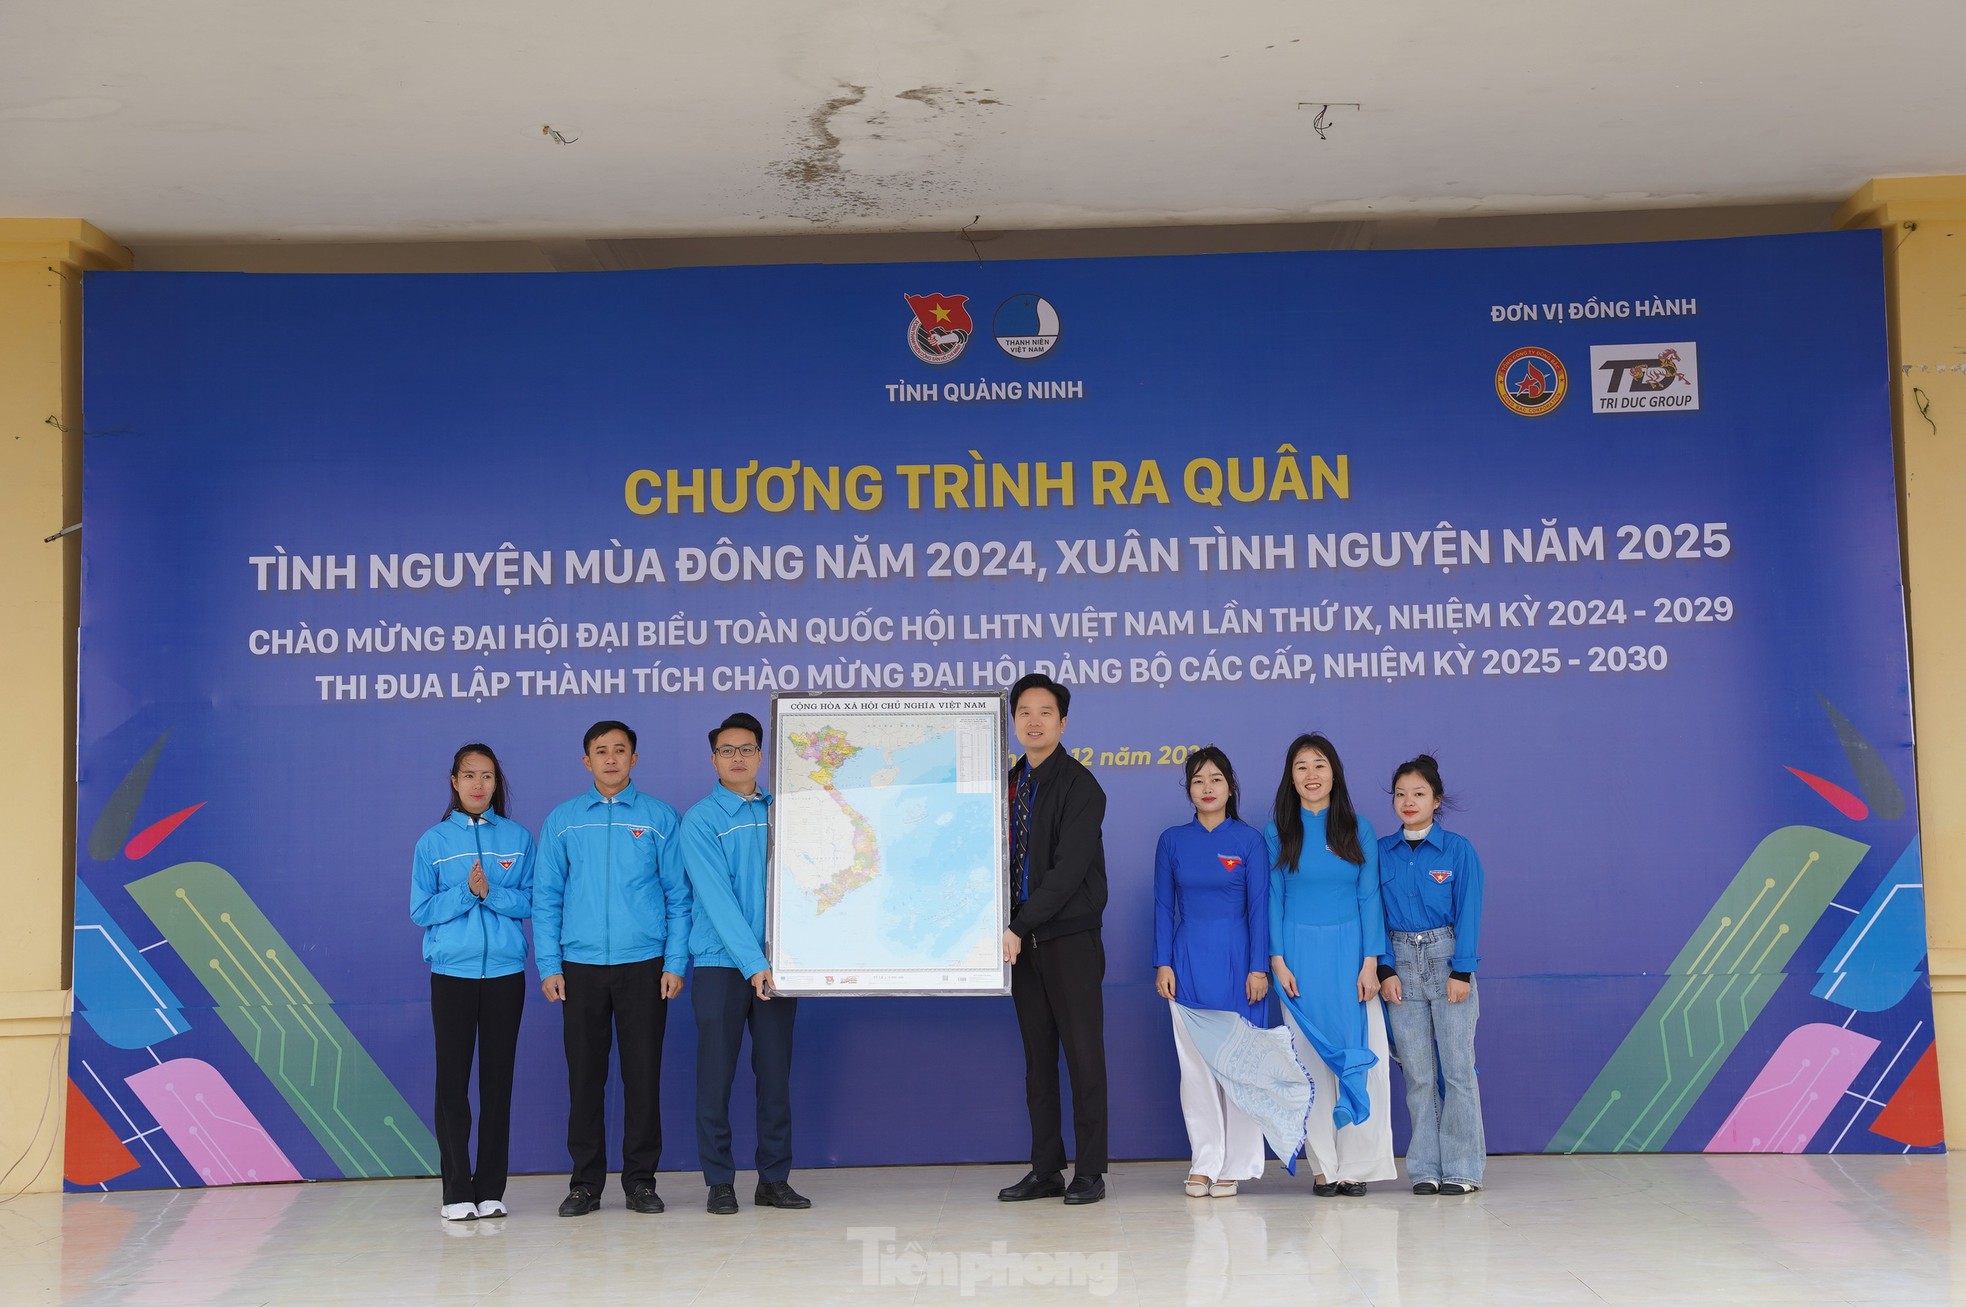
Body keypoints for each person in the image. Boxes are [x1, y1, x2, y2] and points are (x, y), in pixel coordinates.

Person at [533, 720, 691, 1217]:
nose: (610, 759)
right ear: (586, 761)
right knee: (585, 1079)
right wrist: (548, 964)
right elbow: (546, 898)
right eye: (600, 751)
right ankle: (585, 1185)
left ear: (634, 759)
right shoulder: (563, 820)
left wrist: (674, 961)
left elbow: (679, 897)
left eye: (620, 750)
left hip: (644, 966)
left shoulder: (661, 817)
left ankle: (641, 1182)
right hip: (578, 969)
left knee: (643, 1076)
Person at [1154, 746, 1310, 1198]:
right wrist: (1163, 961)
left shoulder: (1248, 841)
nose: (1207, 787)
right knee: (1197, 1069)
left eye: (1216, 779)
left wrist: (1258, 967)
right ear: (1188, 789)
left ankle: (1238, 1166)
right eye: (1198, 780)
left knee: (1240, 1068)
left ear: (1230, 787)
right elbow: (1164, 906)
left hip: (1241, 965)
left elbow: (1261, 908)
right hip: (1186, 966)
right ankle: (1204, 1161)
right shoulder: (1171, 841)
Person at [675, 710, 810, 1216]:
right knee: (717, 1076)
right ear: (713, 759)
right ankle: (719, 1181)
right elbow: (717, 901)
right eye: (727, 750)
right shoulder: (701, 820)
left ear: (761, 755)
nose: (738, 757)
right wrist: (755, 965)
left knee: (774, 1077)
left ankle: (774, 1179)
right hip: (721, 966)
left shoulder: (787, 812)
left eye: (747, 749)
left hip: (780, 966)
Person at [1264, 733, 1397, 1196]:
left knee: (1362, 1058)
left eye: (1319, 765)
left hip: (1351, 957)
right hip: (1298, 958)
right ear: (1291, 777)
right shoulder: (1278, 829)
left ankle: (1356, 1166)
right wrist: (1277, 961)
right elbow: (1274, 899)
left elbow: (1369, 897)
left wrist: (1371, 964)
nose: (1311, 775)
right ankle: (1323, 1166)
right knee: (1310, 1064)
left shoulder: (1357, 829)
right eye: (1301, 767)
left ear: (1334, 772)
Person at [997, 672, 1111, 1206]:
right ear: (1013, 721)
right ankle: (1045, 1168)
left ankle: (1090, 1171)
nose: (1034, 721)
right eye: (1024, 711)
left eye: (1045, 711)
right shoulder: (1009, 784)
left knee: (1084, 1058)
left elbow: (1067, 873)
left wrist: (1019, 925)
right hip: (1023, 951)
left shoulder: (1081, 786)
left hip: (1068, 942)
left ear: (1063, 722)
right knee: (1037, 1063)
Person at [410, 743, 535, 1222]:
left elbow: (531, 903)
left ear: (496, 783)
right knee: (453, 1085)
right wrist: (467, 893)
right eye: (469, 776)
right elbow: (421, 910)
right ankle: (456, 1190)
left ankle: (491, 1189)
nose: (478, 785)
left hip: (505, 975)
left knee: (497, 1084)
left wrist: (492, 893)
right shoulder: (433, 842)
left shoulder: (520, 838)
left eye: (487, 776)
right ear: (454, 782)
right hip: (453, 976)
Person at [1378, 754, 1487, 1196]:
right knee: (1418, 1074)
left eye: (1418, 794)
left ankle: (1462, 1168)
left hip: (1447, 961)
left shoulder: (1458, 850)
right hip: (1400, 965)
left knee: (1458, 1069)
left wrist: (1463, 969)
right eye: (1401, 794)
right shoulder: (1381, 853)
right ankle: (1424, 1167)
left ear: (1436, 800)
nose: (1409, 801)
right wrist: (1385, 967)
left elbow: (1471, 910)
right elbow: (1373, 914)